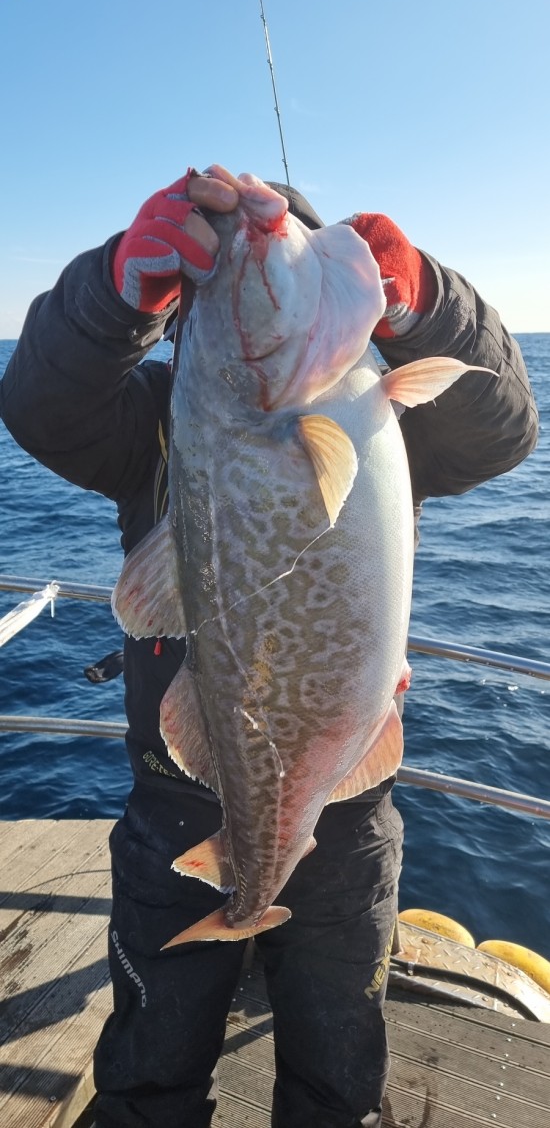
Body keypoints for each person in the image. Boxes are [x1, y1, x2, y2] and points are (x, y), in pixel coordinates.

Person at [0, 166, 538, 1128]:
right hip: (176, 806)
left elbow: (503, 428)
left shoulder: (388, 412)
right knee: (150, 1071)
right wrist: (110, 293)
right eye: (214, 284)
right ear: (178, 323)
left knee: (337, 1072)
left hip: (347, 811)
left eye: (276, 252)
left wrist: (431, 304)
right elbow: (40, 403)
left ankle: (257, 911)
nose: (259, 246)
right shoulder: (151, 420)